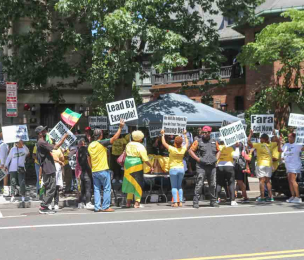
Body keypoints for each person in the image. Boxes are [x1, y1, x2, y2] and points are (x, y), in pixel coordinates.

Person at [87, 119, 125, 212]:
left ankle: (97, 207)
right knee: (107, 188)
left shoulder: (90, 145)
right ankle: (105, 207)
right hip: (103, 169)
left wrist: (91, 167)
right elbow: (115, 138)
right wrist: (120, 127)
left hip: (95, 170)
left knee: (96, 189)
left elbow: (88, 158)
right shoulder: (101, 143)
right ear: (101, 135)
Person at [35, 125, 68, 214]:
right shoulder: (41, 142)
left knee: (50, 187)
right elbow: (55, 147)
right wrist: (63, 138)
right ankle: (44, 206)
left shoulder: (42, 142)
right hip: (48, 168)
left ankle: (44, 205)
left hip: (48, 167)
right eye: (44, 131)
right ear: (40, 133)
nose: (46, 131)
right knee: (51, 188)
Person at [189, 126, 219, 208]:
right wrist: (198, 159)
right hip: (201, 166)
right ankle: (196, 201)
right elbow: (190, 150)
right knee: (199, 183)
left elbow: (218, 150)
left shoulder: (214, 141)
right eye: (203, 132)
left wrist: (216, 158)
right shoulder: (198, 141)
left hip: (212, 166)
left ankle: (213, 201)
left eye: (206, 132)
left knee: (213, 184)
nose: (204, 134)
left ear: (210, 133)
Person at [247, 130, 281, 202]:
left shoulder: (259, 145)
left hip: (261, 165)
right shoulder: (271, 145)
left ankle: (262, 197)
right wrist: (275, 134)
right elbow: (278, 141)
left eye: (261, 138)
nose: (260, 139)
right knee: (268, 181)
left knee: (261, 181)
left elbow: (248, 143)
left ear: (264, 139)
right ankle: (271, 197)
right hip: (268, 165)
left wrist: (250, 134)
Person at [123, 130, 153, 208]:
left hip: (128, 163)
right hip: (136, 164)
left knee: (129, 182)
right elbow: (145, 159)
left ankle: (128, 202)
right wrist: (151, 166)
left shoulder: (128, 144)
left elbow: (125, 154)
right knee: (137, 183)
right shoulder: (141, 146)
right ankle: (137, 202)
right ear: (140, 139)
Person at [160, 129, 188, 207]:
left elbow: (164, 143)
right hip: (181, 169)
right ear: (181, 143)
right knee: (179, 186)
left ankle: (175, 202)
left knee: (174, 186)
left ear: (174, 143)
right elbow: (187, 143)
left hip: (173, 169)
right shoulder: (183, 149)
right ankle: (181, 202)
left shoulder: (172, 149)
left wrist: (162, 134)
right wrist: (185, 135)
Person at [282, 133, 304, 204]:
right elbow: (280, 150)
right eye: (288, 137)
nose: (289, 138)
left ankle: (298, 197)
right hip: (288, 165)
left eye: (290, 137)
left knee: (293, 180)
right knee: (290, 181)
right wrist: (279, 142)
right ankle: (293, 196)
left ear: (294, 138)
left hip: (295, 165)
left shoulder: (298, 145)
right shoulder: (286, 145)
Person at [216, 141, 239, 206]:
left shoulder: (218, 147)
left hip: (219, 166)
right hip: (229, 166)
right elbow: (236, 156)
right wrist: (237, 147)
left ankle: (216, 199)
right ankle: (232, 201)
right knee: (231, 183)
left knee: (219, 183)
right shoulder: (230, 148)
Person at [76, 139, 94, 209]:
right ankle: (88, 202)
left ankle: (80, 203)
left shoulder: (78, 152)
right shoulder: (86, 152)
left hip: (82, 172)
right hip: (87, 172)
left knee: (83, 189)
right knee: (88, 188)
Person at [50, 142, 65, 211]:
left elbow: (62, 159)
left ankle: (52, 203)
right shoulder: (56, 149)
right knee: (54, 186)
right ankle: (53, 203)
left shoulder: (50, 148)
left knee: (53, 186)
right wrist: (60, 161)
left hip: (52, 167)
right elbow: (62, 159)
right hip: (53, 167)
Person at [0, 132, 9, 196]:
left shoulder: (2, 144)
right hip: (3, 163)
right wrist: (3, 164)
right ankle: (5, 191)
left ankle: (4, 190)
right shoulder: (3, 144)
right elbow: (2, 155)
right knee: (5, 176)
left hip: (2, 162)